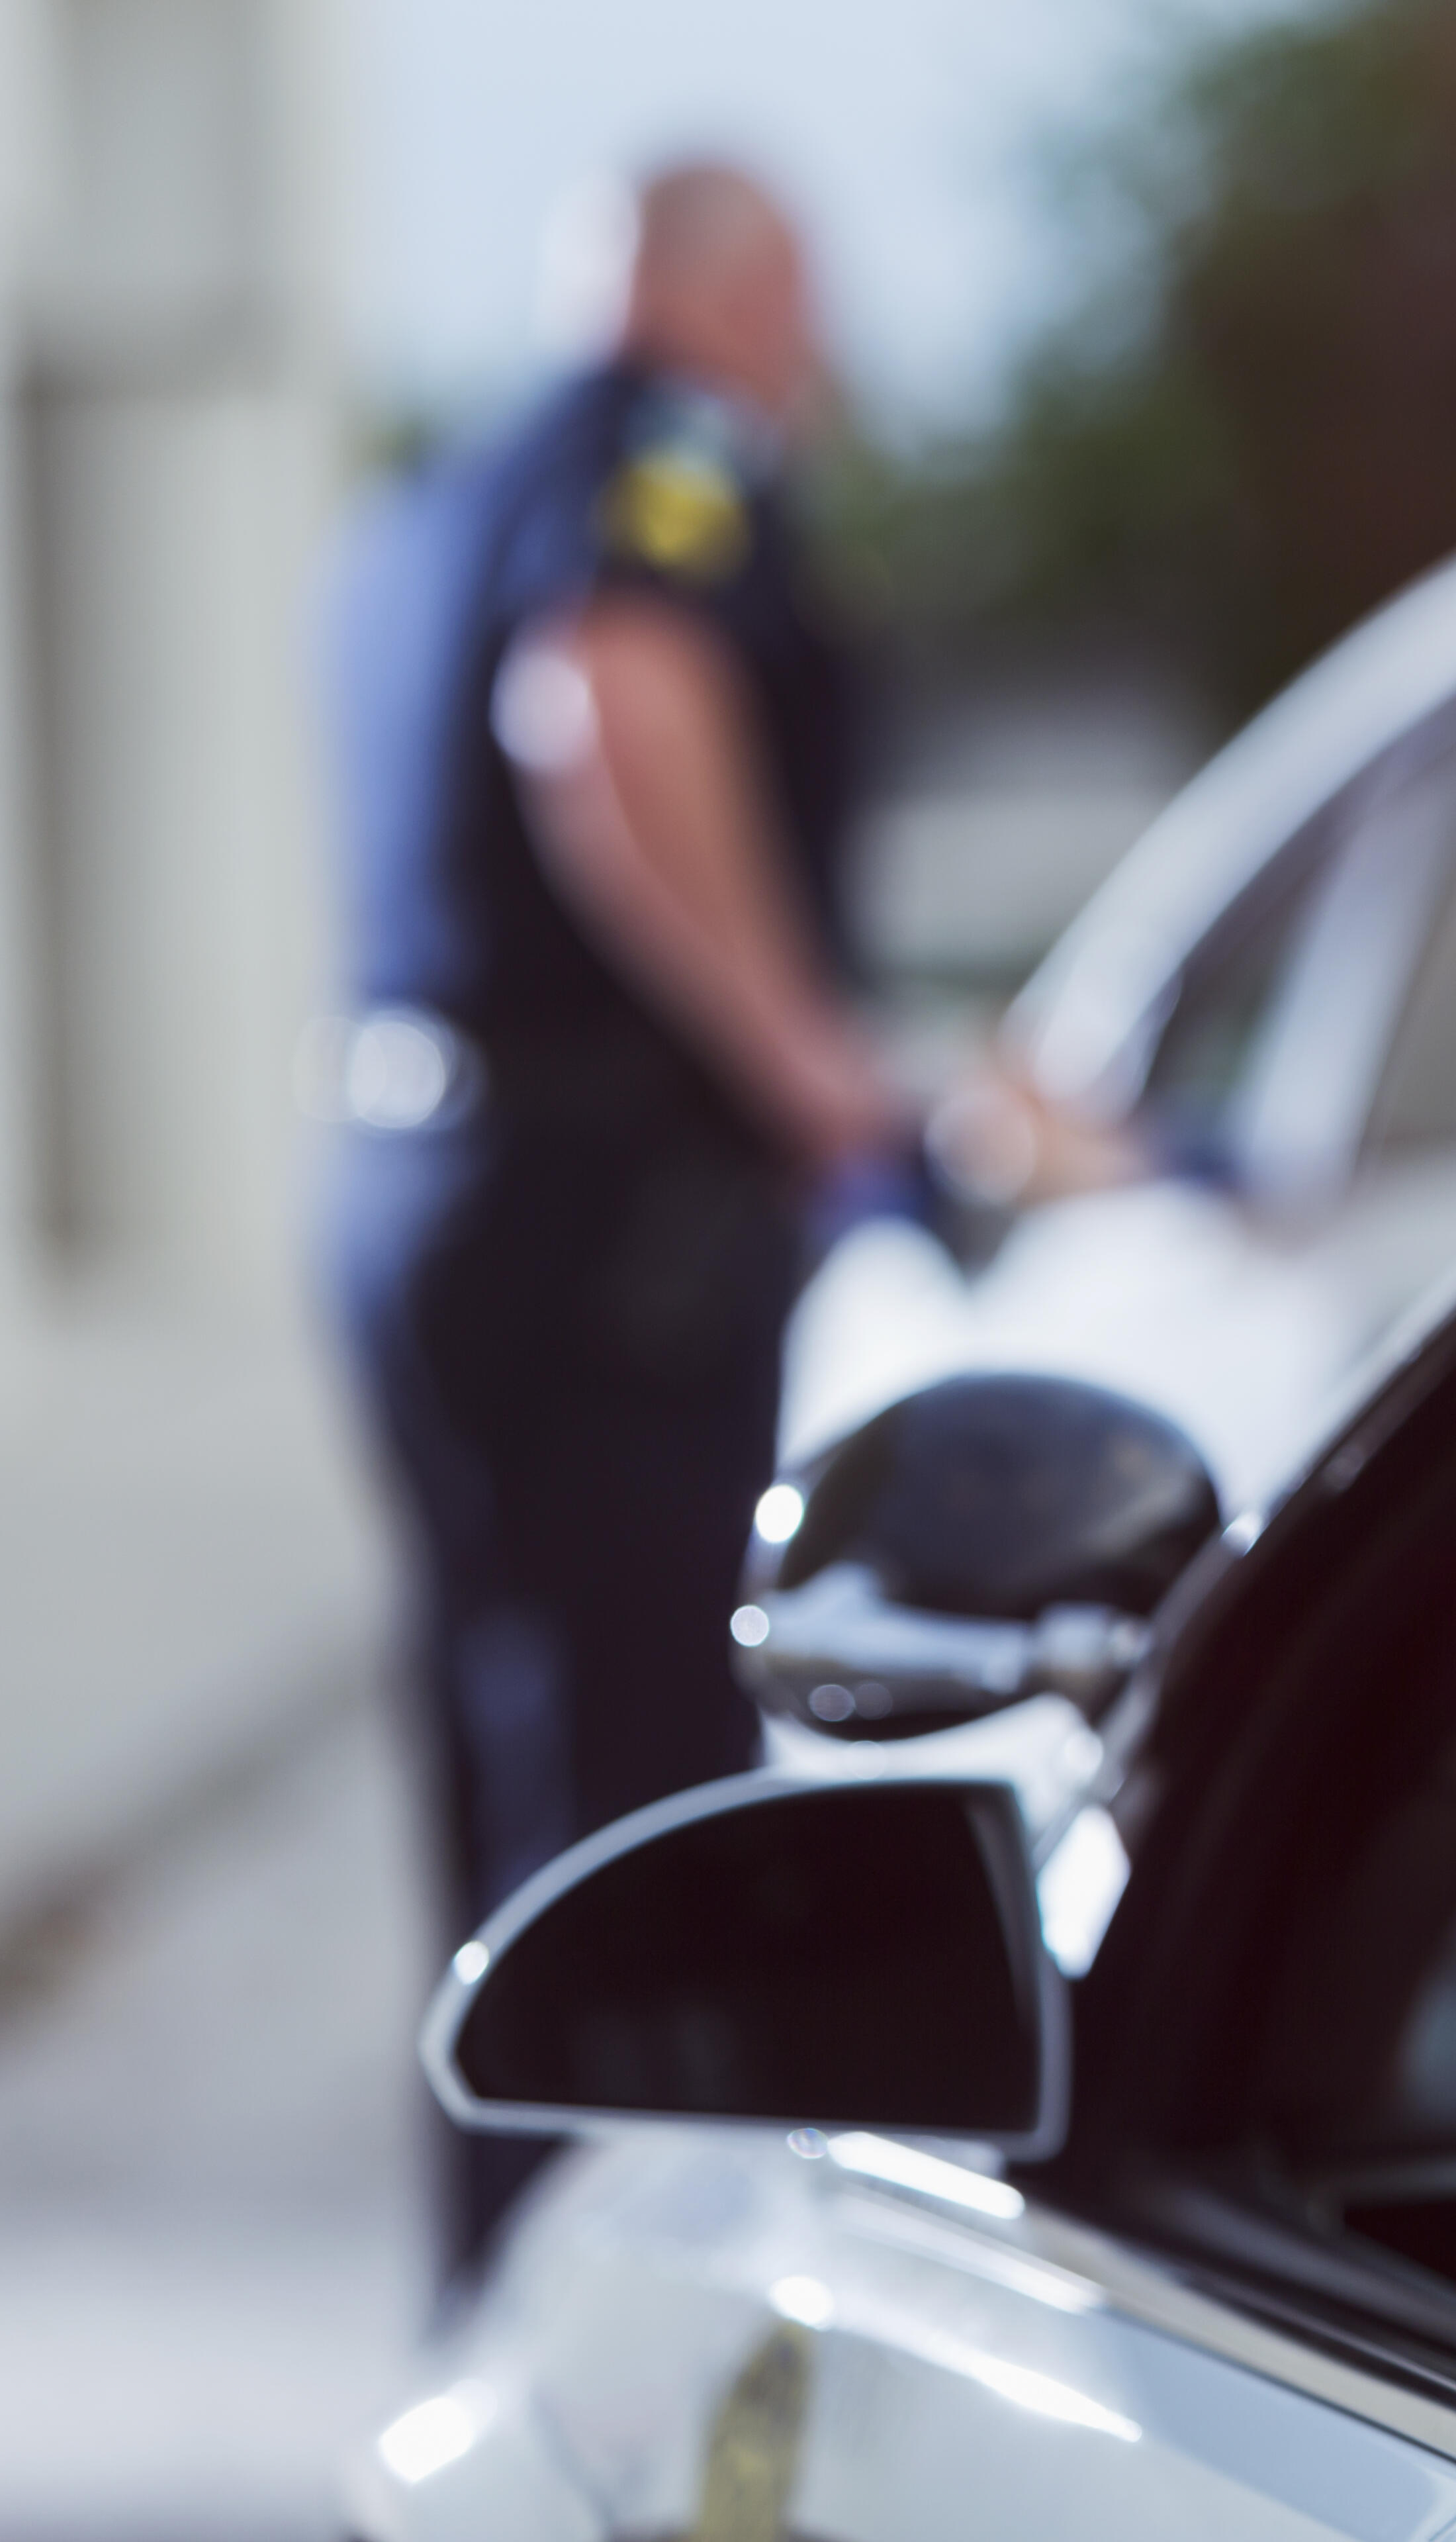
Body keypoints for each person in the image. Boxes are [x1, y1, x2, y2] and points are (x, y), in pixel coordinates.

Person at [323, 159, 899, 2283]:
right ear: (731, 291)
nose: (819, 356)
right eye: (806, 301)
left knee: (500, 1780)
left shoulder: (433, 491)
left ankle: (497, 2288)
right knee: (639, 1811)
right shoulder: (661, 458)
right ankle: (612, 2360)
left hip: (416, 1185)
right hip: (601, 1223)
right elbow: (610, 697)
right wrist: (806, 1058)